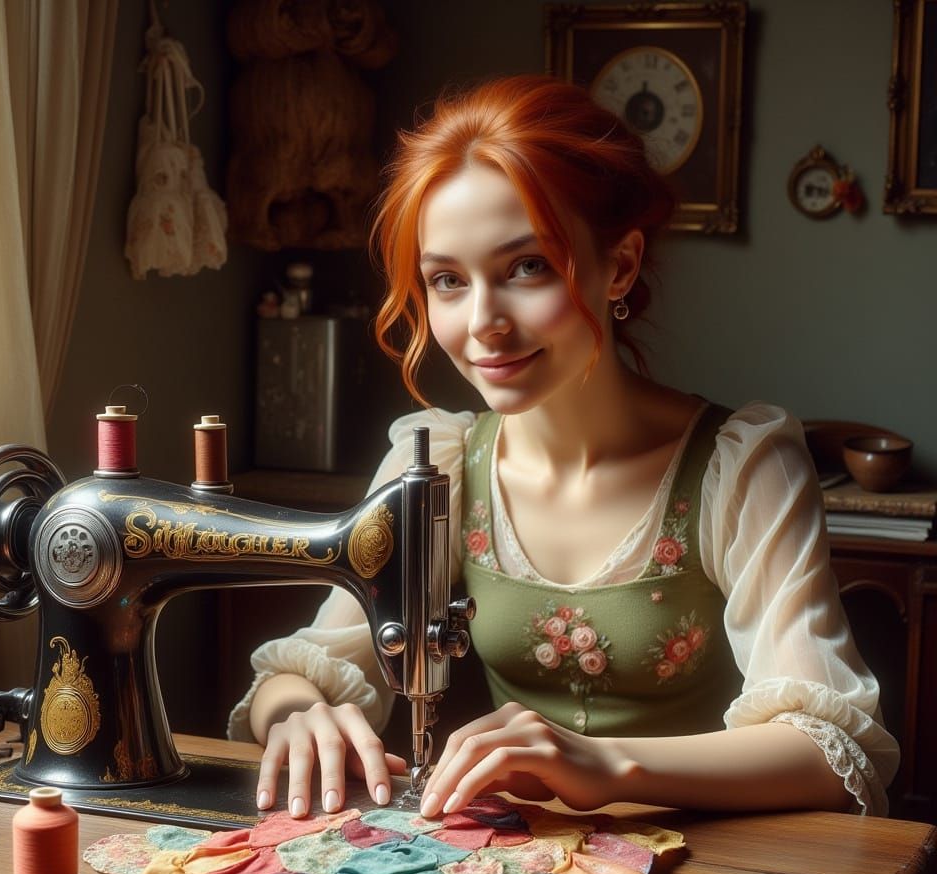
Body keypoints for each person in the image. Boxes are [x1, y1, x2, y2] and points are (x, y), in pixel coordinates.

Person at [228, 74, 899, 822]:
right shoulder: (438, 465)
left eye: (527, 267)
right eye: (447, 280)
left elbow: (830, 751)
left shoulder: (741, 467)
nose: (483, 323)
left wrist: (607, 765)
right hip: (524, 866)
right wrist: (299, 714)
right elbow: (310, 666)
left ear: (621, 264)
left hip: (716, 869)